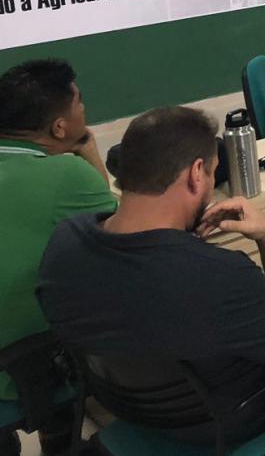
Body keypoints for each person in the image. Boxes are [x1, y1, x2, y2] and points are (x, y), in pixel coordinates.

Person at [36, 107, 265, 453]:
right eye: (212, 173)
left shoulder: (65, 243)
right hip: (225, 417)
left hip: (123, 404)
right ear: (196, 173)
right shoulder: (217, 274)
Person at [0, 60, 115, 454]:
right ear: (60, 128)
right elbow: (124, 233)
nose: (86, 110)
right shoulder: (65, 175)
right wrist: (90, 154)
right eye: (79, 103)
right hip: (20, 369)